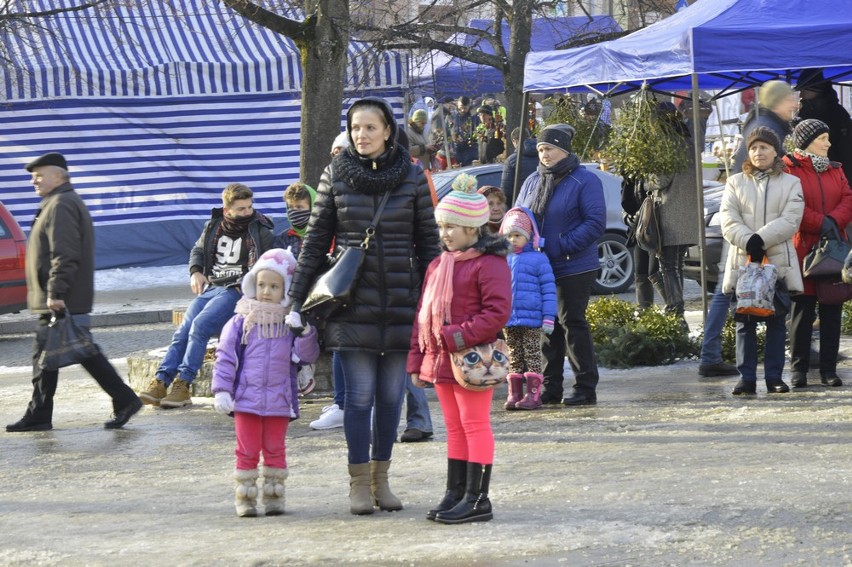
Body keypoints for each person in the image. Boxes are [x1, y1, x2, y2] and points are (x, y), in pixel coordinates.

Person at [286, 96, 441, 515]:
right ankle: (357, 483)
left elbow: (429, 245)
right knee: (357, 399)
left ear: (388, 130)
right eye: (356, 128)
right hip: (351, 304)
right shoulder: (335, 174)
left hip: (402, 304)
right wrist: (296, 301)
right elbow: (316, 242)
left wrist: (436, 302)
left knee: (391, 398)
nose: (362, 135)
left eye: (370, 127)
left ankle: (381, 480)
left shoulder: (411, 176)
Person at [6, 152, 143, 432]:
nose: (34, 180)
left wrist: (56, 291)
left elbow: (65, 253)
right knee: (51, 358)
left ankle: (124, 399)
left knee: (78, 353)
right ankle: (41, 414)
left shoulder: (62, 204)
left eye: (40, 174)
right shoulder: (57, 202)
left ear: (59, 176)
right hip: (61, 298)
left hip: (62, 299)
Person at [408, 176, 511, 524]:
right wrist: (416, 359)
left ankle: (478, 498)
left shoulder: (489, 263)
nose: (445, 233)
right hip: (438, 359)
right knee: (453, 425)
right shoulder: (439, 265)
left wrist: (455, 337)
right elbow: (422, 315)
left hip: (472, 360)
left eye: (452, 226)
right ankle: (456, 492)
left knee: (474, 423)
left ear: (472, 227)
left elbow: (497, 312)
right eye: (442, 226)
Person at [137, 183, 274, 408]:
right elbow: (198, 250)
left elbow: (266, 263)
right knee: (183, 329)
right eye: (241, 209)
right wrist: (196, 271)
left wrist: (247, 284)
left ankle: (184, 384)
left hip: (235, 290)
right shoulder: (213, 225)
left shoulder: (260, 231)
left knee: (200, 326)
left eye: (249, 207)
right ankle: (161, 381)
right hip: (212, 287)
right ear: (227, 209)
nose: (248, 212)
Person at [699, 80, 798, 377]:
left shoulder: (762, 120)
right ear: (778, 101)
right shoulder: (769, 125)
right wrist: (756, 237)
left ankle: (711, 352)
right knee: (731, 290)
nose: (795, 104)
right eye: (790, 99)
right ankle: (713, 354)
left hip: (754, 229)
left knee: (727, 289)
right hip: (753, 230)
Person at [211, 248, 320, 517]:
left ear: (285, 290)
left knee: (275, 449)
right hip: (246, 400)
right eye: (261, 284)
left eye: (274, 286)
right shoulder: (240, 321)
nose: (266, 291)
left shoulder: (288, 323)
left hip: (279, 401)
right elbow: (226, 356)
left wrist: (304, 332)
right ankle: (245, 498)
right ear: (252, 284)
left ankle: (274, 496)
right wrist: (222, 390)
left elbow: (306, 356)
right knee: (246, 449)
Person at [515, 124, 605, 406]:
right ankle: (550, 387)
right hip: (539, 265)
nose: (544, 154)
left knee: (571, 322)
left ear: (564, 150)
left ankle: (585, 387)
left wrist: (560, 244)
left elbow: (594, 223)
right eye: (541, 149)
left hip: (574, 265)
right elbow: (519, 216)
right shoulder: (532, 181)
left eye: (549, 149)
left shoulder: (584, 180)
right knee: (546, 325)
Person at [719, 127, 804, 396]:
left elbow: (791, 219)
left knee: (777, 322)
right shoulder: (735, 182)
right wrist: (748, 241)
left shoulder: (791, 183)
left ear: (775, 151)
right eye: (754, 147)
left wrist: (760, 239)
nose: (758, 152)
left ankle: (774, 377)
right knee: (744, 322)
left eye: (764, 147)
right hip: (743, 263)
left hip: (777, 263)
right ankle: (746, 378)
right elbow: (728, 219)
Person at [783, 119, 852, 388]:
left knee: (832, 309)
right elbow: (791, 205)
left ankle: (828, 370)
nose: (829, 143)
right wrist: (819, 223)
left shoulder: (836, 169)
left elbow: (848, 197)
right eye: (823, 138)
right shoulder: (790, 168)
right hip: (803, 248)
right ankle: (799, 370)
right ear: (808, 141)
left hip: (833, 248)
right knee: (802, 311)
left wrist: (832, 222)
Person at [645, 103, 700, 328]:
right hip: (687, 214)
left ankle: (675, 316)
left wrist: (644, 177)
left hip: (670, 213)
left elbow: (660, 180)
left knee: (667, 267)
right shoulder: (689, 141)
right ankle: (676, 314)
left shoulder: (665, 144)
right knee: (674, 266)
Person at [499, 206, 557, 411]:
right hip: (509, 318)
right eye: (510, 235)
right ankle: (514, 393)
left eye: (518, 235)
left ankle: (533, 395)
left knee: (532, 354)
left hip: (532, 319)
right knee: (514, 355)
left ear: (528, 236)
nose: (513, 239)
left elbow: (549, 289)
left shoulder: (539, 259)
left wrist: (549, 316)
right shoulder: (503, 259)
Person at [273, 181, 317, 396]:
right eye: (291, 208)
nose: (295, 213)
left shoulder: (323, 235)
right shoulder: (283, 238)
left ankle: (303, 362)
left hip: (315, 295)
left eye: (300, 207)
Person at [796, 69, 852, 183]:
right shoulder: (804, 111)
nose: (801, 94)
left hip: (839, 174)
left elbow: (846, 150)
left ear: (815, 89)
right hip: (812, 174)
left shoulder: (837, 114)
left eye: (803, 89)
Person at [501, 127, 538, 207]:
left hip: (522, 205)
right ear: (529, 137)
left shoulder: (511, 161)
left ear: (514, 141)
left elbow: (506, 191)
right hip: (540, 203)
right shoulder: (542, 156)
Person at [452, 96, 479, 166]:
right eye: (461, 107)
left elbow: (477, 133)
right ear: (457, 105)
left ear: (469, 106)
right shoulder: (453, 116)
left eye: (465, 108)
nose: (463, 110)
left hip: (471, 151)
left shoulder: (474, 116)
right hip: (457, 150)